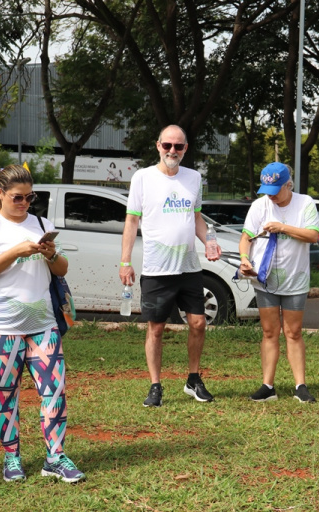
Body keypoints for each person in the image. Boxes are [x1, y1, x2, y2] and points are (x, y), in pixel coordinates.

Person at [0, 165, 84, 482]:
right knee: (5, 393)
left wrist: (51, 254)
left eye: (30, 197)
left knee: (54, 391)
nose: (24, 203)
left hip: (43, 322)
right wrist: (17, 251)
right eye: (17, 197)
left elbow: (61, 269)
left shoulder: (42, 223)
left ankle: (55, 457)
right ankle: (12, 457)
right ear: (0, 194)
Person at [120, 124, 220, 407]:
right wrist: (125, 261)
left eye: (178, 146)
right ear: (158, 146)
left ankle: (193, 379)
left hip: (189, 267)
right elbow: (132, 221)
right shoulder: (142, 178)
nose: (172, 151)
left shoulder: (194, 178)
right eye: (167, 145)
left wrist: (209, 242)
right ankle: (155, 386)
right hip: (157, 269)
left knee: (198, 323)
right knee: (156, 328)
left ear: (185, 149)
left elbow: (196, 217)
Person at [238, 163, 319, 403]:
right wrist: (244, 259)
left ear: (288, 185)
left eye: (275, 190)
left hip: (295, 278)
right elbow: (246, 238)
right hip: (265, 280)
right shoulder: (259, 205)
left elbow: (312, 235)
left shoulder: (305, 203)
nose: (271, 195)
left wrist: (282, 227)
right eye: (267, 190)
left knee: (293, 332)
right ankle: (268, 386)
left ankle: (300, 386)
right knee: (269, 332)